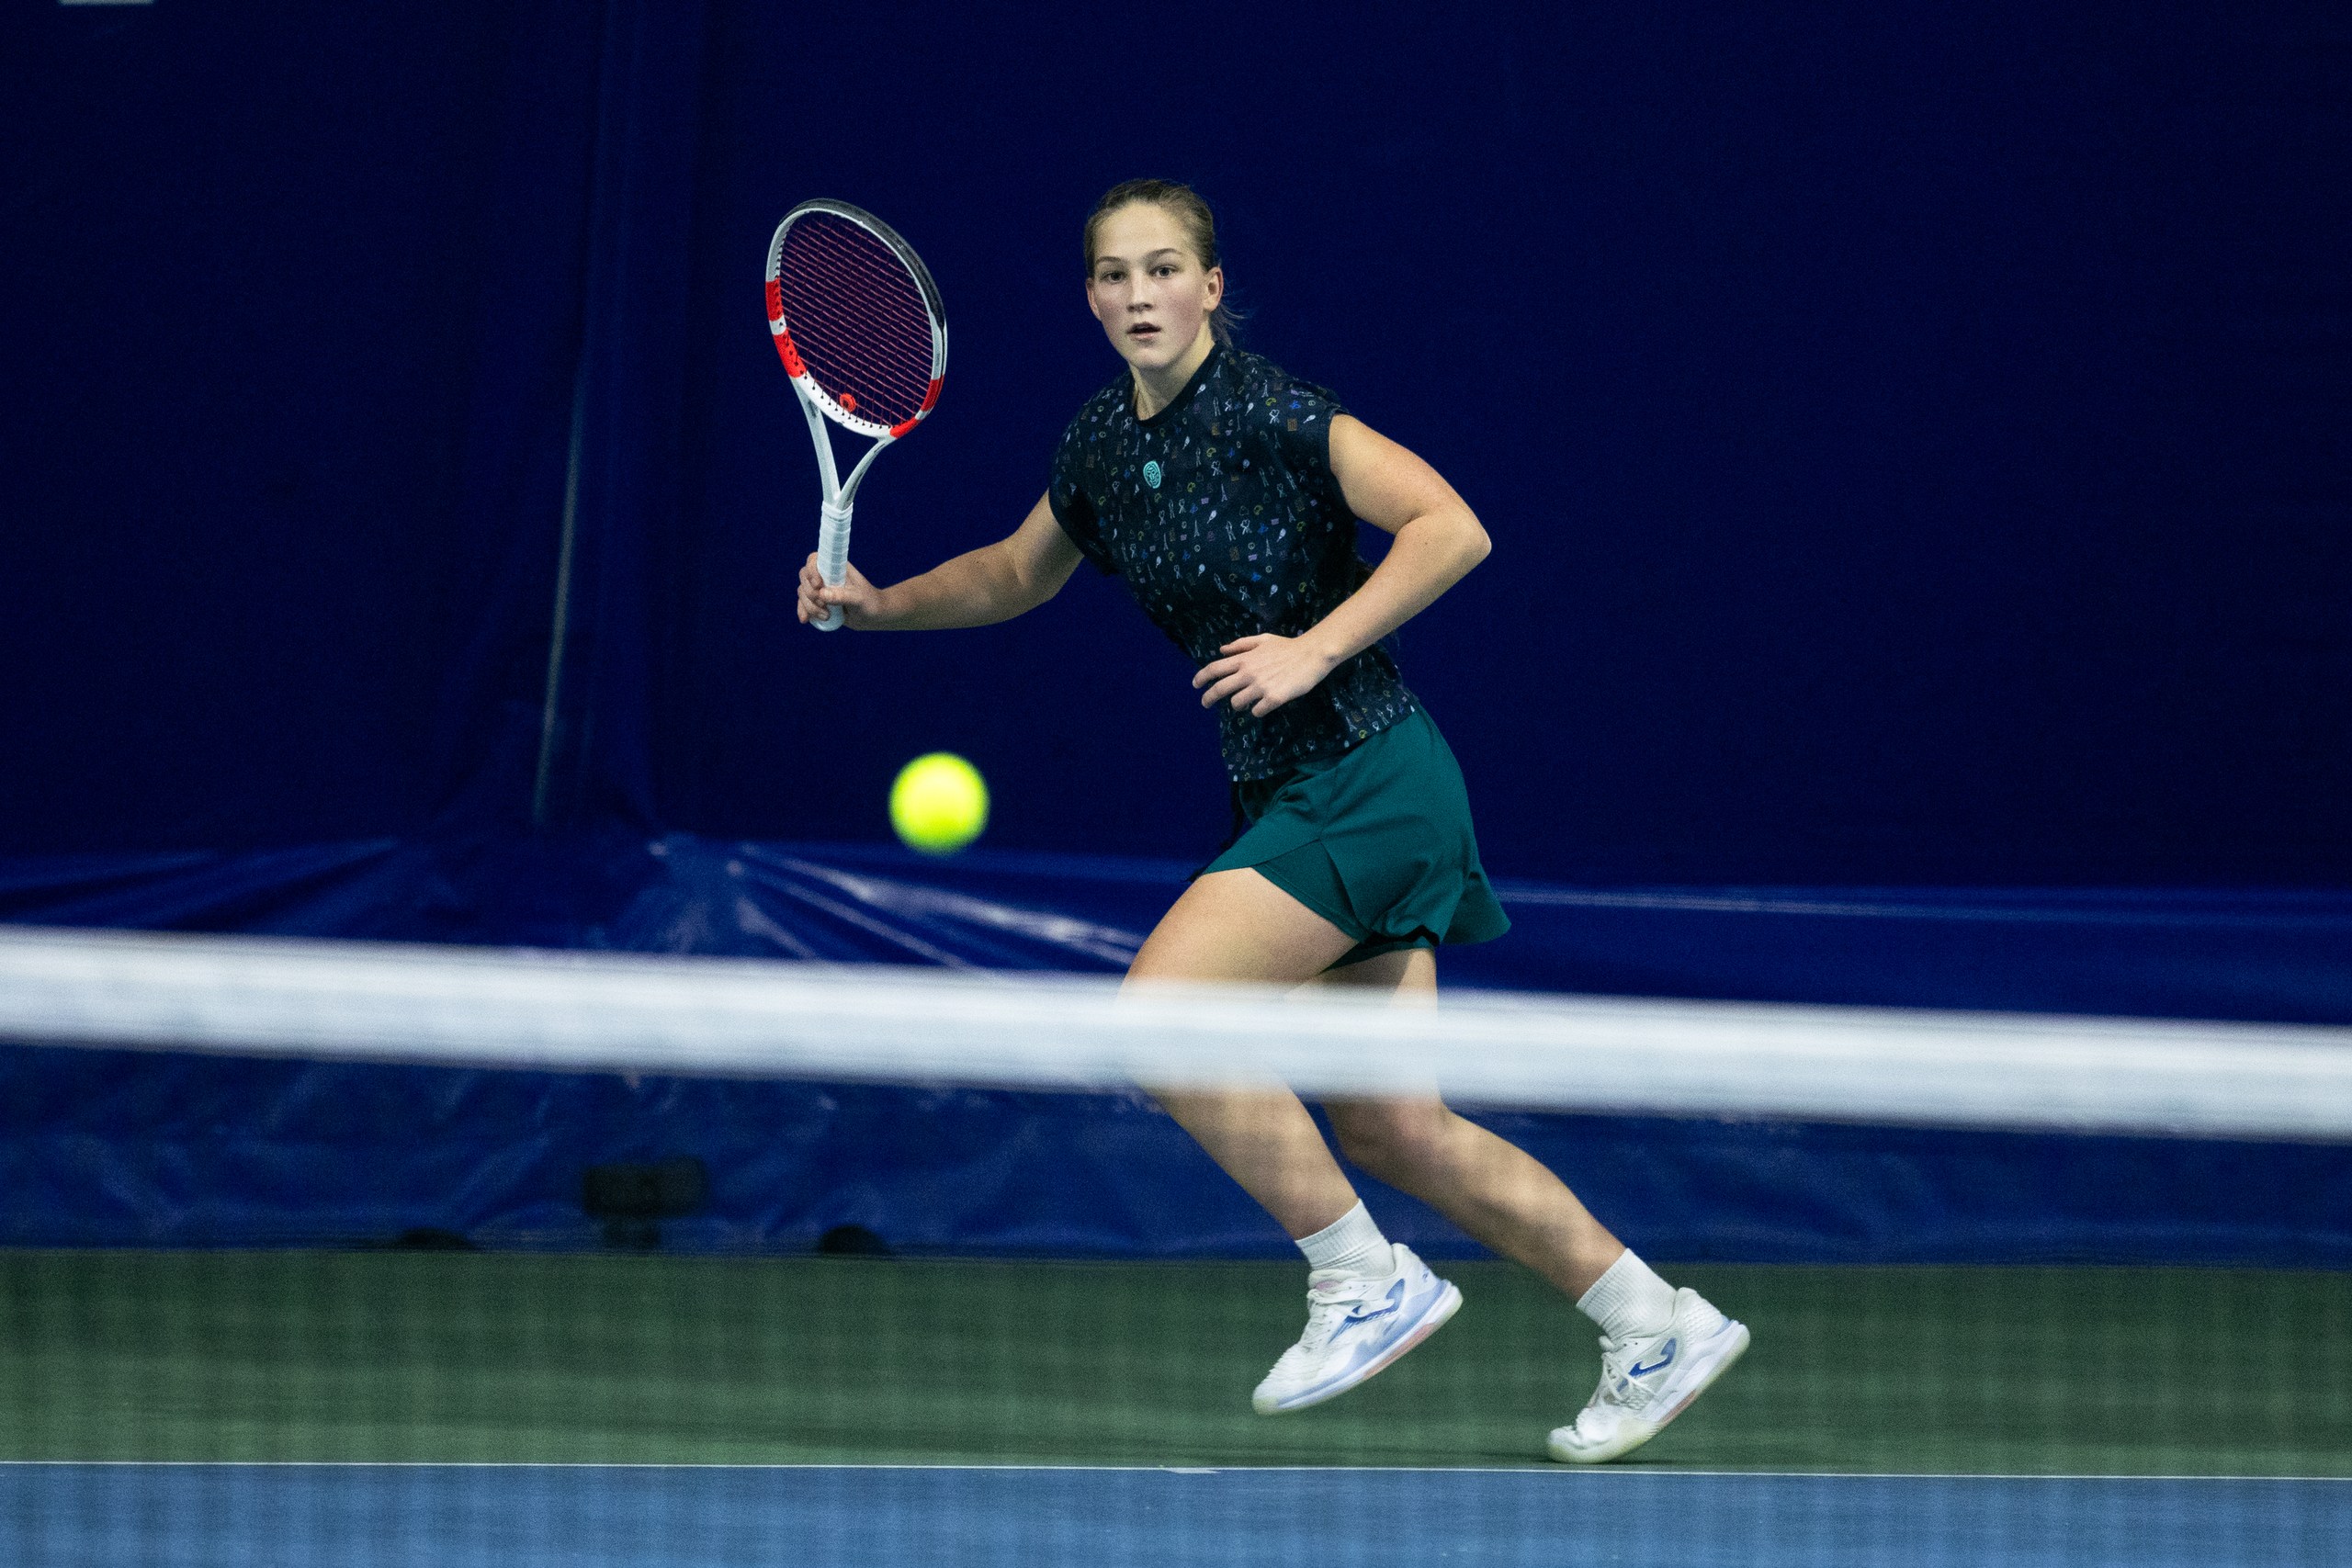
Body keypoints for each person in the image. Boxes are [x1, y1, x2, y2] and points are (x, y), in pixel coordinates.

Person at [797, 178, 1746, 1463]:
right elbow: (1018, 572)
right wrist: (882, 601)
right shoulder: (1099, 444)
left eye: (1164, 269)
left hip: (1366, 776)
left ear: (1210, 287)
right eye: (1116, 275)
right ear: (1091, 298)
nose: (1140, 295)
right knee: (1394, 1126)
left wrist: (1314, 648)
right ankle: (1657, 1323)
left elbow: (1451, 528)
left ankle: (1362, 1278)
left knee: (1163, 1017)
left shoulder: (1277, 413)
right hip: (1301, 790)